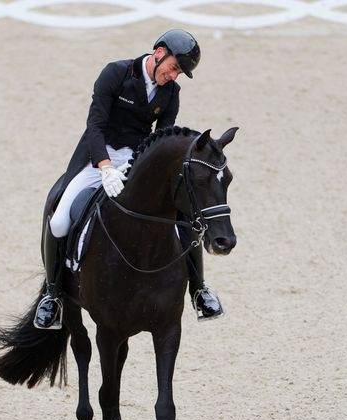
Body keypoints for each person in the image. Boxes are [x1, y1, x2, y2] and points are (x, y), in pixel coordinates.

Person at [33, 29, 224, 330]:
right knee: (58, 220)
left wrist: (136, 167)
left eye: (179, 73)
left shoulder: (171, 93)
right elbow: (94, 124)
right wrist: (106, 167)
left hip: (135, 161)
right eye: (174, 67)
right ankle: (54, 296)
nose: (174, 76)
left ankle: (198, 289)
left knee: (185, 217)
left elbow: (161, 138)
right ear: (159, 52)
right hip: (96, 156)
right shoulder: (116, 73)